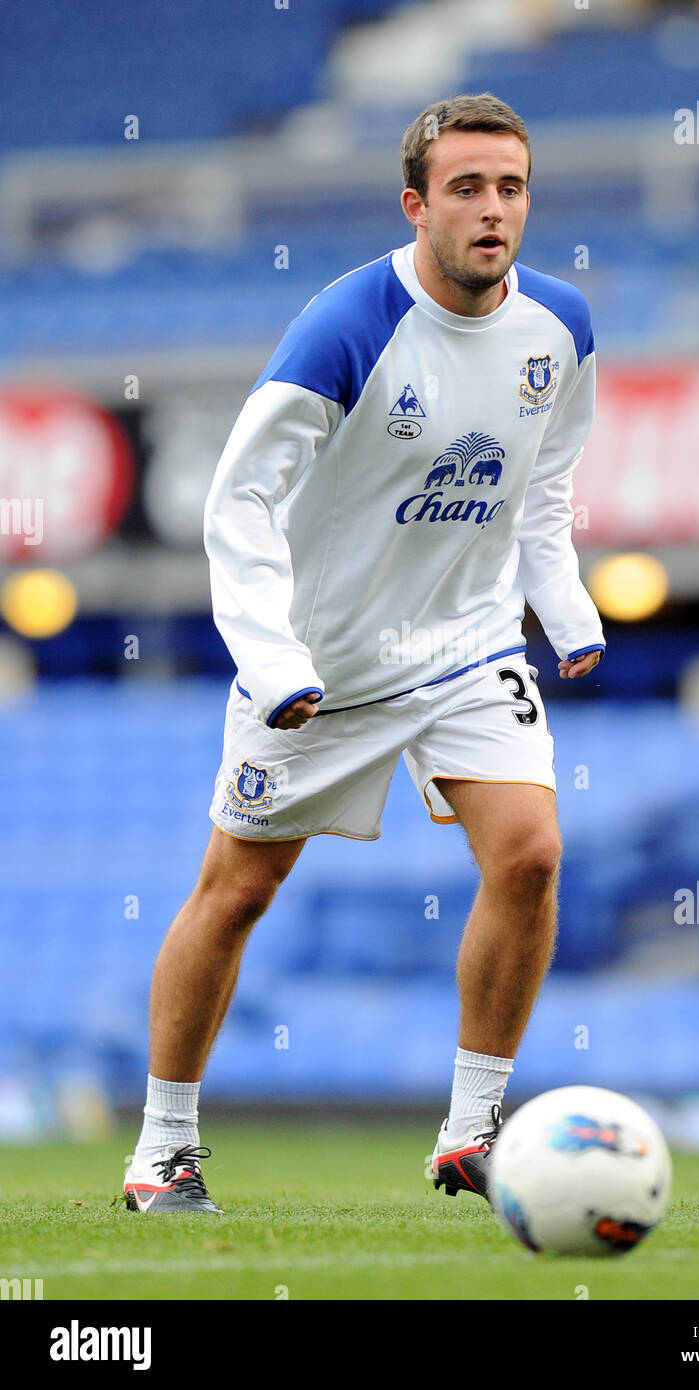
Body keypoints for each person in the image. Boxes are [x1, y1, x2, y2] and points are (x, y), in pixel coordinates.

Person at [123, 92, 605, 1213]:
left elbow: (541, 486)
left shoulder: (562, 327)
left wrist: (565, 610)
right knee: (237, 890)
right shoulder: (344, 324)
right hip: (322, 662)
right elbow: (234, 505)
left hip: (467, 643)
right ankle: (163, 1146)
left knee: (529, 853)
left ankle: (472, 1132)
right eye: (466, 189)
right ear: (415, 204)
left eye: (511, 187)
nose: (493, 211)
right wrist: (275, 656)